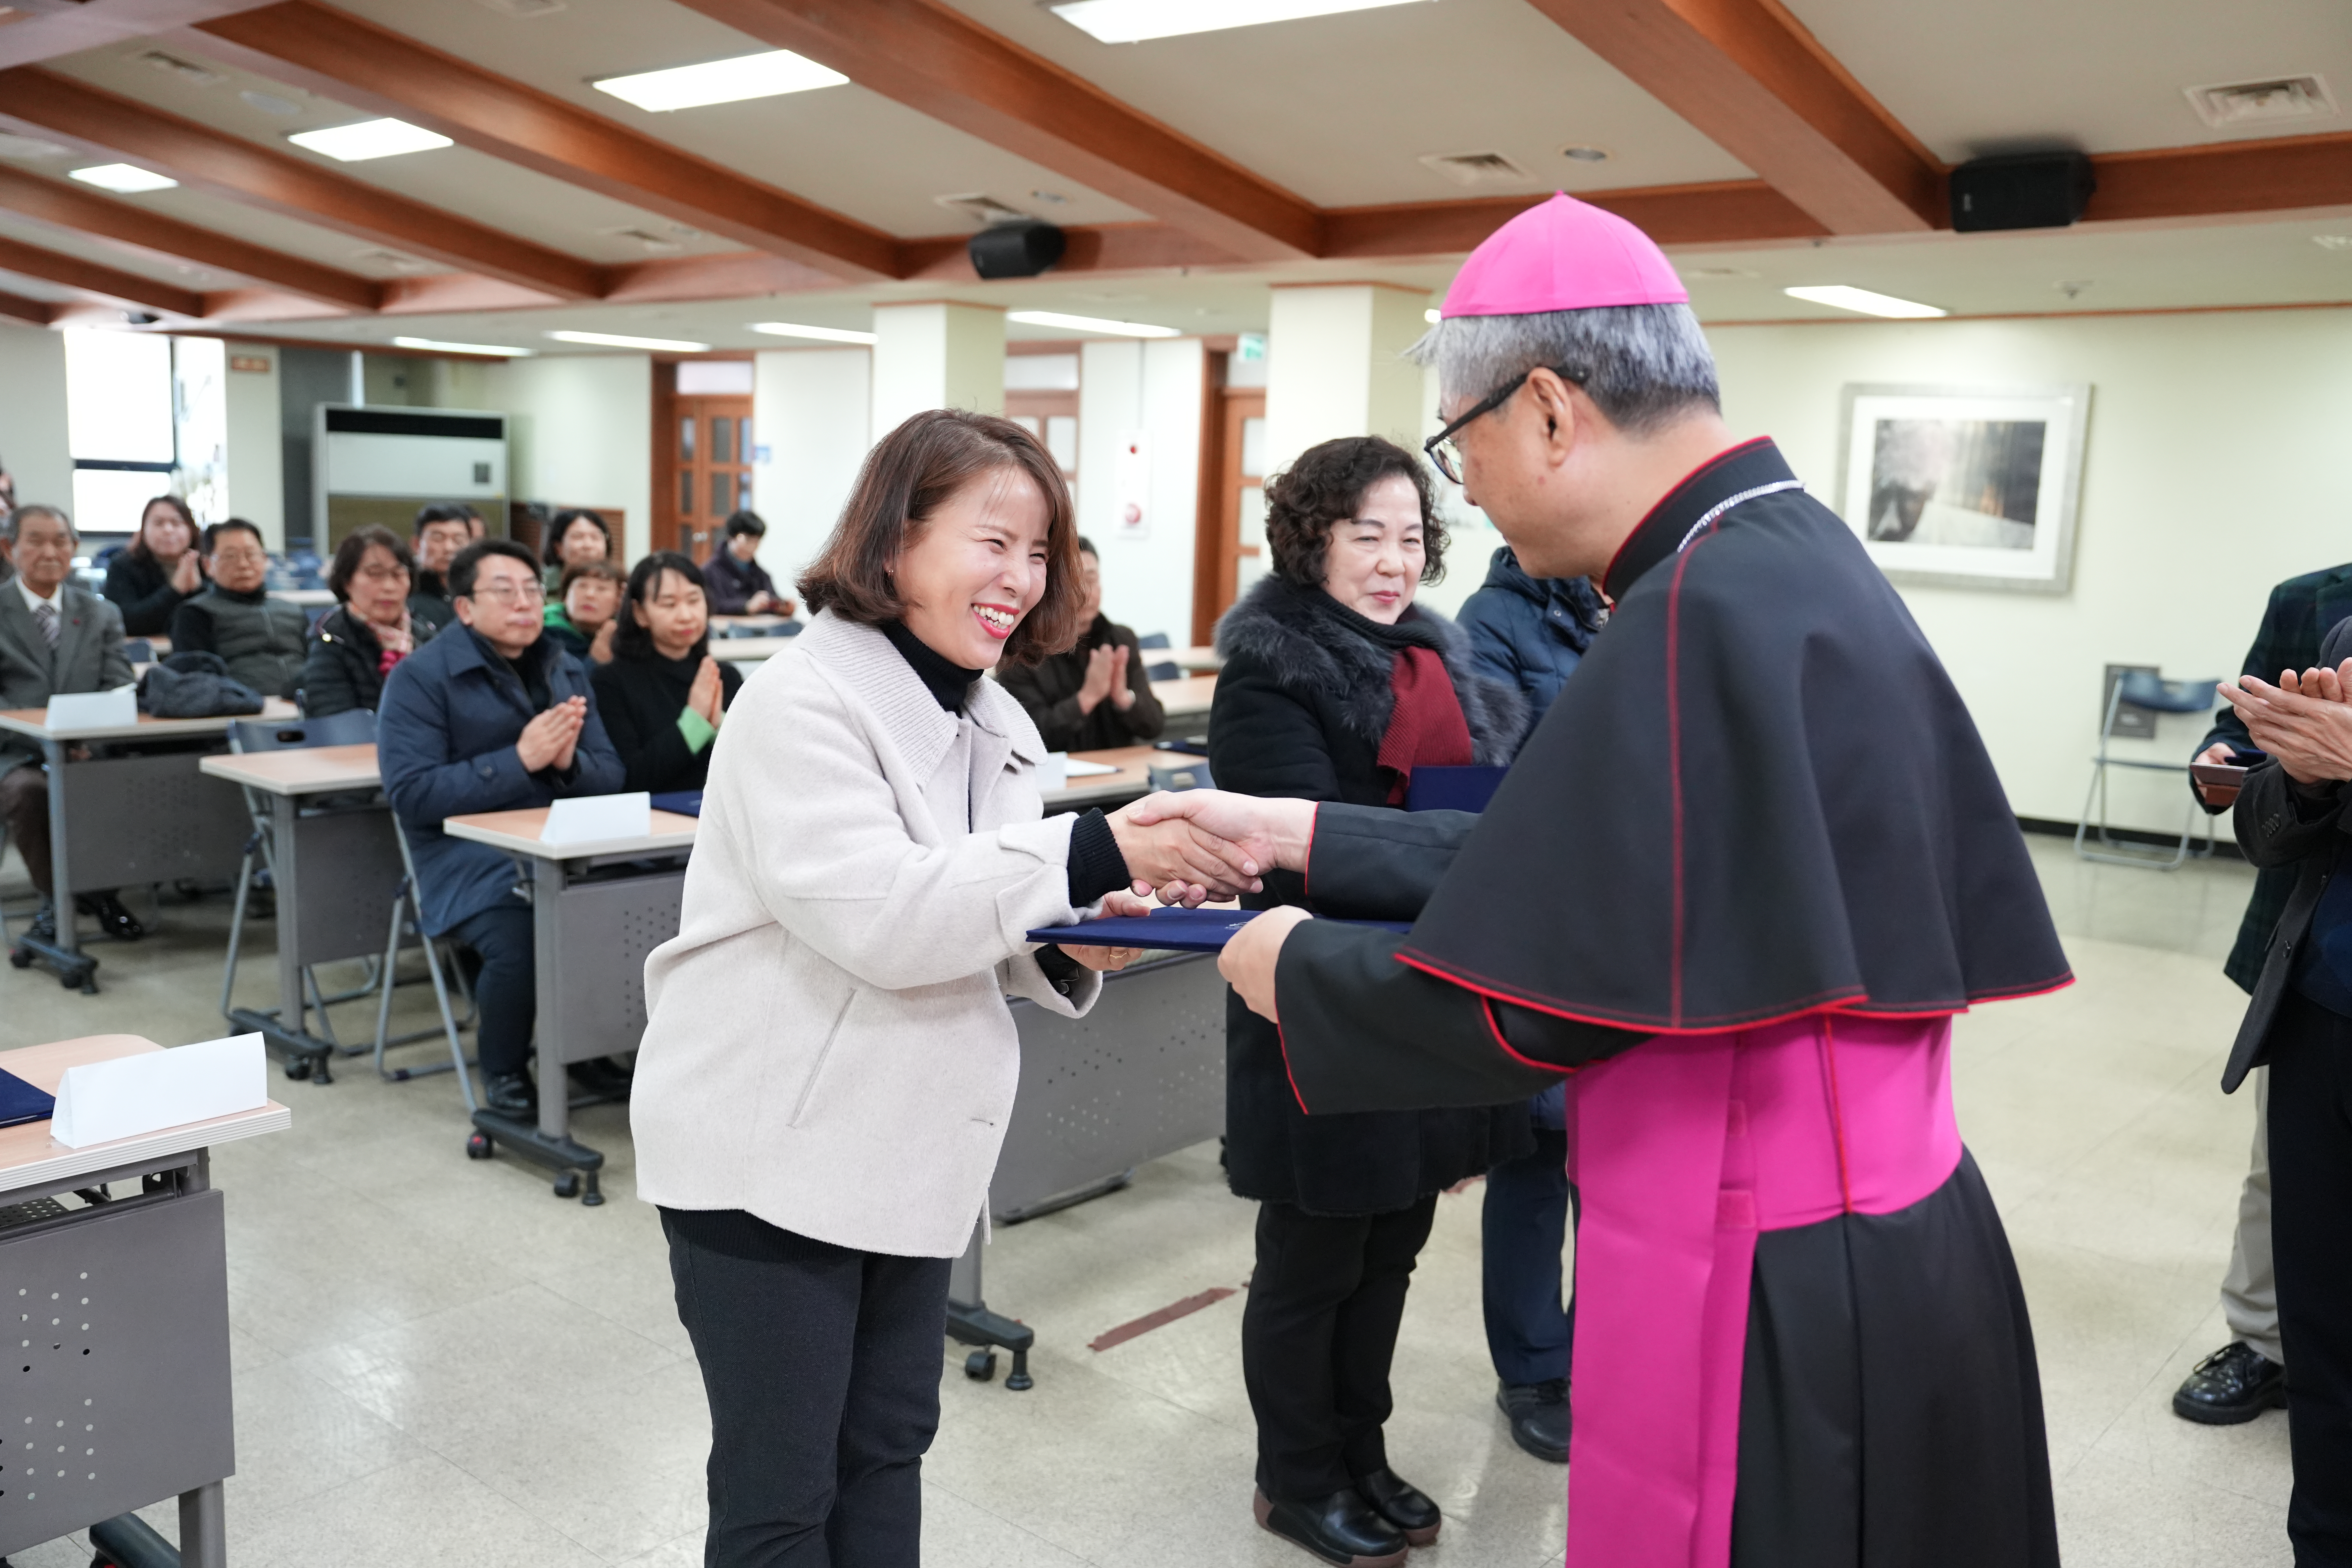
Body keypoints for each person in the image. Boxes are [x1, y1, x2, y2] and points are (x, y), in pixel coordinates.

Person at [1130, 193, 2072, 1568]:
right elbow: (1583, 866)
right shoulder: (1779, 554)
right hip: (1880, 1222)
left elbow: (1544, 994)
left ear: (1548, 411)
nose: (1467, 494)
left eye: (1459, 446)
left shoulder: (1689, 609)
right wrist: (1302, 833)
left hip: (1762, 1250)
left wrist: (1289, 961)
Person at [628, 409, 1268, 1567]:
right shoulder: (800, 703)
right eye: (993, 541)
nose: (1020, 577)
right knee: (782, 1488)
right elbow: (880, 911)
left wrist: (1069, 942)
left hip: (904, 1144)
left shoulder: (993, 716)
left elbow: (969, 912)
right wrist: (1093, 850)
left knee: (886, 1444)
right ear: (893, 541)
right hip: (768, 1151)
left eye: (1039, 551)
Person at [1209, 435, 1528, 1567]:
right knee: (1312, 1261)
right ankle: (1295, 1477)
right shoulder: (1268, 675)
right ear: (1312, 542)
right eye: (1365, 537)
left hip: (1423, 1000)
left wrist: (1449, 854)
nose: (1393, 563)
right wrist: (1452, 853)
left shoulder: (1438, 666)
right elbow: (1297, 853)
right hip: (1319, 1000)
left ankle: (1361, 1451)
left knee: (1392, 1248)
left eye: (1409, 538)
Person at [2166, 566, 2352, 1424]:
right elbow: (2245, 728)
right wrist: (2225, 756)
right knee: (2284, 1163)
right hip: (2312, 927)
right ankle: (2265, 1340)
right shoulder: (2311, 599)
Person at [1453, 542, 1608, 1465]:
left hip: (1636, 923)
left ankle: (1606, 1352)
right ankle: (1535, 1370)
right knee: (1538, 1154)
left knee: (1620, 1161)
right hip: (1546, 925)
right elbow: (1494, 777)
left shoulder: (1643, 598)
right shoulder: (1494, 620)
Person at [377, 539, 624, 1118]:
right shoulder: (420, 678)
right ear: (465, 608)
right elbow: (412, 794)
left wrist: (568, 764)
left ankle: (584, 1049)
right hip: (461, 856)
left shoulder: (562, 666)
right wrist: (520, 761)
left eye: (533, 590)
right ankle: (505, 1069)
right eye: (505, 591)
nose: (525, 603)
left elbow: (611, 774)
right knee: (524, 931)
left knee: (619, 906)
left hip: (559, 844)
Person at [2214, 644, 2352, 1564]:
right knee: (2323, 1335)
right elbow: (2266, 838)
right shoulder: (2347, 634)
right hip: (2321, 1026)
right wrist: (2301, 780)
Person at [0, 505, 142, 944]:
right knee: (30, 793)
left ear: (74, 547)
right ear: (8, 548)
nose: (50, 552)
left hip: (86, 747)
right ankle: (55, 899)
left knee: (122, 780)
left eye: (60, 541)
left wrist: (85, 739)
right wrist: (42, 739)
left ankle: (101, 891)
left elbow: (118, 684)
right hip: (14, 752)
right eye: (36, 541)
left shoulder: (100, 613)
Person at [589, 552, 741, 796]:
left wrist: (719, 726)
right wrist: (696, 722)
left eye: (694, 600)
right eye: (669, 605)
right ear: (640, 613)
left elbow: (752, 766)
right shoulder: (610, 682)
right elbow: (631, 780)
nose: (686, 616)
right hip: (653, 817)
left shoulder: (726, 676)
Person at [998, 535, 1167, 753]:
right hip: (1056, 772)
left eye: (1091, 579)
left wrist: (1124, 699)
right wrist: (1087, 699)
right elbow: (1028, 737)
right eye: (1074, 582)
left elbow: (1154, 726)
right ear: (1052, 587)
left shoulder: (1121, 640)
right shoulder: (1021, 649)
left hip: (1120, 769)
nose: (1086, 593)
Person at [168, 520, 305, 700]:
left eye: (251, 554)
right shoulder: (195, 613)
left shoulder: (293, 611)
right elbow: (198, 684)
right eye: (230, 556)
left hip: (305, 705)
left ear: (265, 559)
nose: (243, 564)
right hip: (242, 708)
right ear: (208, 566)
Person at [304, 526, 428, 717]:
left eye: (398, 575)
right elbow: (335, 722)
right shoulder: (331, 641)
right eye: (375, 574)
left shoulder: (427, 637)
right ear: (347, 582)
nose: (389, 587)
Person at [103, 495, 206, 638]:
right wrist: (175, 590)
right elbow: (125, 622)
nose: (168, 530)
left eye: (177, 523)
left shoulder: (206, 563)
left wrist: (198, 590)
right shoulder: (123, 566)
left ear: (192, 530)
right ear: (143, 530)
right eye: (159, 523)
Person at [700, 509, 796, 617]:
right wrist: (746, 606)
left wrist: (782, 608)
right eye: (748, 539)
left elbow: (771, 601)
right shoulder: (709, 572)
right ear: (732, 537)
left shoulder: (761, 575)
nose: (753, 546)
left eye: (757, 541)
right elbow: (712, 606)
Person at [409, 504, 473, 637]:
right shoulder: (406, 594)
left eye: (459, 540)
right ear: (417, 545)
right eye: (438, 538)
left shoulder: (476, 594)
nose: (449, 548)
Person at [543, 559, 624, 665]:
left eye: (602, 589)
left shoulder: (626, 639)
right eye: (582, 586)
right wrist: (595, 661)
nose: (590, 595)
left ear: (619, 601)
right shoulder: (543, 637)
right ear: (565, 597)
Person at [541, 507, 612, 590]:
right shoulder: (540, 585)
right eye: (578, 537)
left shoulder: (619, 587)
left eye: (595, 537)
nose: (588, 545)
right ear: (559, 548)